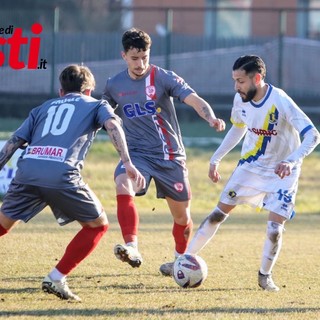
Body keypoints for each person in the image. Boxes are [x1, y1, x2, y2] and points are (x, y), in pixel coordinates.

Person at [0, 64, 145, 301]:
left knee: (3, 224)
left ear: (60, 91)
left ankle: (57, 279)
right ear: (89, 91)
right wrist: (127, 161)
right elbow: (113, 125)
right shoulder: (97, 104)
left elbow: (14, 141)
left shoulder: (42, 107)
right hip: (61, 174)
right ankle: (56, 277)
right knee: (97, 225)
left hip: (27, 170)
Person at [185, 55, 320, 291]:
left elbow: (313, 135)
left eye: (241, 81)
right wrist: (216, 158)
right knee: (218, 213)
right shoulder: (241, 99)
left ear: (257, 78)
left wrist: (291, 161)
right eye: (234, 81)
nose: (236, 87)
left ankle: (264, 276)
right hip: (251, 166)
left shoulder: (280, 101)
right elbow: (238, 128)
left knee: (275, 228)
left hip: (283, 172)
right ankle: (185, 259)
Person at [102, 28, 226, 275]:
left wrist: (210, 117)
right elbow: (103, 114)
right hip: (137, 154)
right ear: (124, 55)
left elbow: (194, 99)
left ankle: (179, 260)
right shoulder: (114, 85)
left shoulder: (163, 77)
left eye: (144, 57)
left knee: (182, 218)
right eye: (134, 58)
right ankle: (131, 247)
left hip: (170, 156)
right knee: (122, 182)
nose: (140, 64)